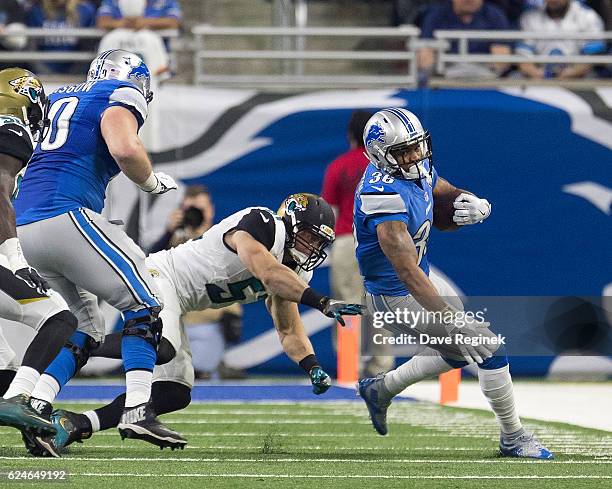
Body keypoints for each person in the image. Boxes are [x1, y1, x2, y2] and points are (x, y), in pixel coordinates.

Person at [24, 193, 366, 456]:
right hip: (161, 276)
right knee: (162, 346)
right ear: (290, 223)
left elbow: (288, 329)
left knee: (175, 392)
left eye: (318, 242)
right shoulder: (263, 223)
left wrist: (313, 366)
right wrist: (321, 301)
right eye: (307, 236)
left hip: (181, 301)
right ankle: (83, 342)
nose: (311, 247)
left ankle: (76, 422)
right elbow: (267, 272)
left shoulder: (295, 272)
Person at [354, 108, 553, 459]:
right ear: (380, 155)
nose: (416, 157)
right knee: (487, 347)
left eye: (417, 147)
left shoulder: (414, 169)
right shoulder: (380, 195)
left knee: (460, 352)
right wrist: (448, 317)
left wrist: (470, 202)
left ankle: (380, 390)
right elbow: (406, 271)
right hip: (395, 296)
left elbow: (442, 194)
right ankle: (514, 437)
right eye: (405, 152)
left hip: (422, 276)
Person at [12, 49, 184, 450]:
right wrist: (151, 183)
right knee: (145, 303)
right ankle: (139, 408)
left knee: (87, 328)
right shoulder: (122, 92)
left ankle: (36, 411)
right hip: (64, 215)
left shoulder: (56, 98)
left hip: (22, 224)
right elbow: (125, 149)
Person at [0, 68, 78, 437]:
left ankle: (29, 421)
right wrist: (16, 258)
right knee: (58, 317)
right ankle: (18, 401)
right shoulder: (9, 127)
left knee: (5, 370)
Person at [321, 110, 394, 376]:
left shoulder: (339, 166)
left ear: (350, 134)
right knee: (382, 304)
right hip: (383, 241)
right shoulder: (387, 167)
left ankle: (350, 367)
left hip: (346, 240)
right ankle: (382, 368)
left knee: (347, 304)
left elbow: (330, 212)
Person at [418, 0, 512, 80]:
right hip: (445, 76)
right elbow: (425, 55)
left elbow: (501, 59)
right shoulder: (436, 15)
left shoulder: (495, 15)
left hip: (485, 78)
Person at [517, 0, 606, 79]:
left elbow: (592, 57)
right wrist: (539, 75)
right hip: (540, 78)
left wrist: (571, 74)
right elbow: (524, 58)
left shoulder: (588, 16)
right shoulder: (529, 17)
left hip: (579, 78)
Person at [26, 0, 97, 74]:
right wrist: (46, 74)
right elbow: (31, 49)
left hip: (77, 75)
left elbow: (88, 48)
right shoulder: (35, 12)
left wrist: (74, 74)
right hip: (43, 74)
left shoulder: (85, 11)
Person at [96, 0, 181, 31]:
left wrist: (146, 22)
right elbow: (102, 22)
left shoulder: (167, 1)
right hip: (120, 48)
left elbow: (174, 22)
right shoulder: (112, 1)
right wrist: (122, 24)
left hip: (155, 50)